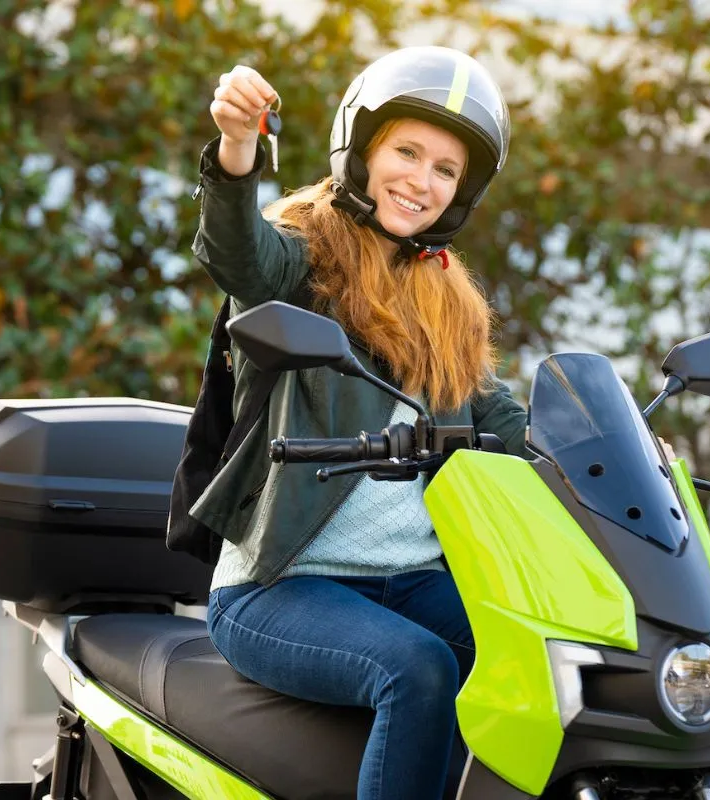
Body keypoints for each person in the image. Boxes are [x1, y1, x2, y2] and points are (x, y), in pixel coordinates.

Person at [191, 46, 526, 800]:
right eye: (407, 151)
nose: (423, 180)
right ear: (362, 150)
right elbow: (236, 255)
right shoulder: (302, 258)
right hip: (280, 584)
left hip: (412, 581)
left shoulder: (447, 299)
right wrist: (237, 145)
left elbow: (495, 411)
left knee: (539, 647)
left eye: (446, 168)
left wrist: (610, 453)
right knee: (419, 668)